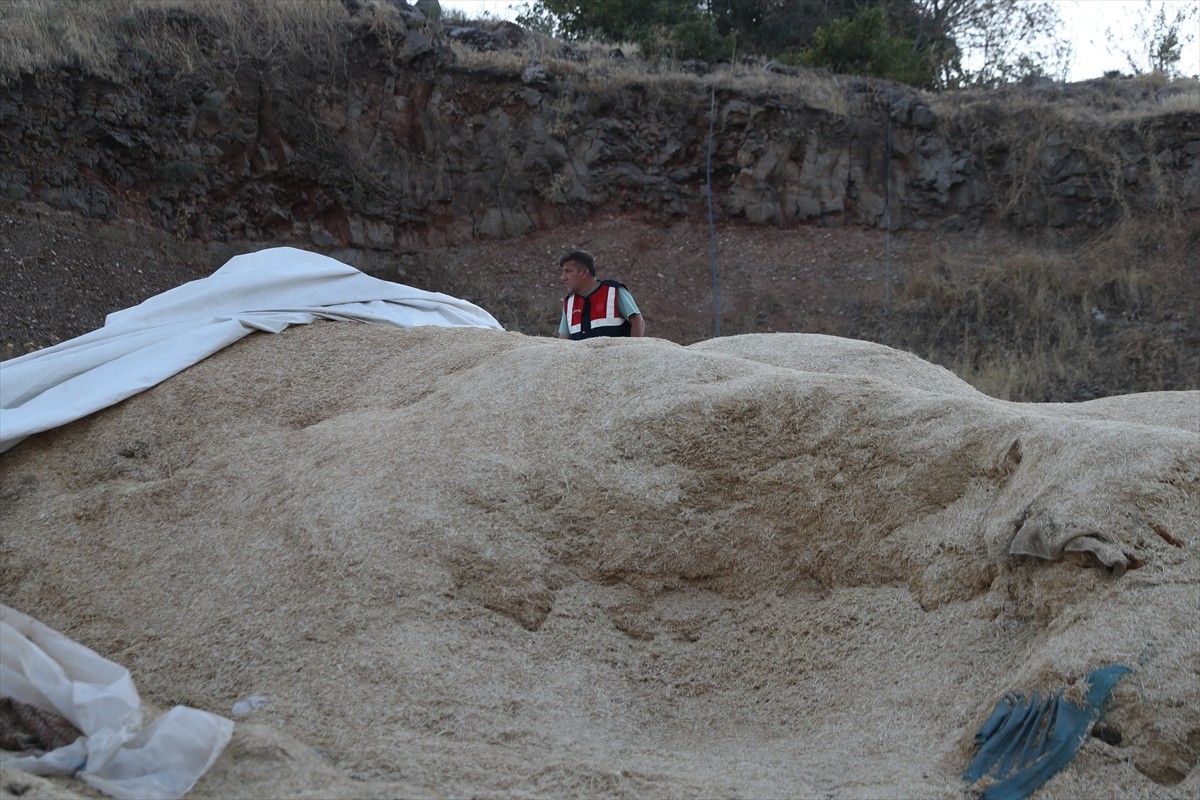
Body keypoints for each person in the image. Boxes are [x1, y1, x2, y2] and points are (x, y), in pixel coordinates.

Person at [557, 250, 645, 339]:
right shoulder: (569, 303)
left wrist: (631, 350)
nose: (563, 277)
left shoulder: (614, 291)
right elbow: (563, 339)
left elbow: (638, 322)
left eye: (568, 271)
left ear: (584, 273)